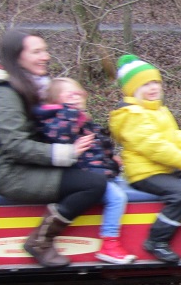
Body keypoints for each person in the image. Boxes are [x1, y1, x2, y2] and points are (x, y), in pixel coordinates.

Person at [0, 30, 108, 267]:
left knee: (94, 175)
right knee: (93, 184)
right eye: (37, 52)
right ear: (17, 58)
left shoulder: (29, 86)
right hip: (10, 172)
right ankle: (40, 241)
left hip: (28, 164)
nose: (46, 56)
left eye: (45, 50)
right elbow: (16, 145)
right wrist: (67, 153)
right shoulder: (4, 94)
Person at [109, 54, 181, 264]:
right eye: (145, 84)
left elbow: (177, 136)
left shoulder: (158, 110)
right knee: (180, 193)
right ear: (132, 89)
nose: (153, 87)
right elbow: (155, 147)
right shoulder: (132, 115)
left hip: (160, 167)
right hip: (144, 172)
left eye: (155, 82)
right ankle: (157, 240)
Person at [34, 77, 136, 264]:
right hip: (83, 175)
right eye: (69, 94)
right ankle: (109, 243)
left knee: (131, 187)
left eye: (78, 92)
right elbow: (59, 137)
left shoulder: (81, 119)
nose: (76, 97)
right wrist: (71, 112)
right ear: (55, 100)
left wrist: (112, 159)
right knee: (117, 198)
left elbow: (98, 145)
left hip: (100, 172)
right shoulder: (56, 118)